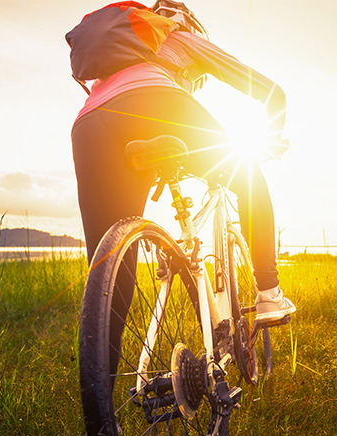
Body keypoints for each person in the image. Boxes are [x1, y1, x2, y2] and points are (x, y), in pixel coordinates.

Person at [71, 0, 295, 321]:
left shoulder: (115, 59)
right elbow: (273, 92)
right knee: (249, 178)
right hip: (157, 99)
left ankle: (99, 372)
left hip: (89, 123)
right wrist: (273, 136)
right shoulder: (182, 37)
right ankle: (270, 294)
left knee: (110, 268)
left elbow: (123, 109)